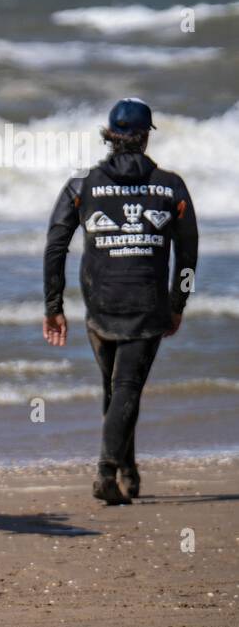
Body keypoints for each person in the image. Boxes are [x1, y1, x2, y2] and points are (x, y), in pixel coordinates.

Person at [43, 98, 198, 505]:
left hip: (100, 308)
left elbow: (55, 245)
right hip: (148, 308)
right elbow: (188, 253)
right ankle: (107, 470)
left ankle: (128, 471)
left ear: (110, 137)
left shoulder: (83, 185)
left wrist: (53, 306)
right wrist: (178, 301)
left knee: (117, 390)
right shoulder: (171, 186)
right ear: (146, 137)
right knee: (126, 387)